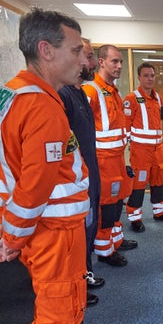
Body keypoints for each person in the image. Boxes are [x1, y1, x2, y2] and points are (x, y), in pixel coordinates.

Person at [0, 7, 111, 324]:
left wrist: (7, 231)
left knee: (47, 298)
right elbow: (35, 185)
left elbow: (6, 173)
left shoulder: (6, 93)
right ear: (45, 50)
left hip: (30, 227)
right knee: (62, 304)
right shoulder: (41, 105)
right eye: (75, 50)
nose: (82, 60)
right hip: (52, 231)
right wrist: (12, 239)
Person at [58, 38, 104, 305]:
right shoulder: (63, 95)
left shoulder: (80, 92)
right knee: (79, 232)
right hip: (77, 180)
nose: (92, 63)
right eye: (86, 56)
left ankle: (85, 273)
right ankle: (76, 287)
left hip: (91, 172)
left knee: (89, 226)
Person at [82, 44, 137, 267]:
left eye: (121, 62)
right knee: (105, 206)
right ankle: (105, 252)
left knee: (116, 202)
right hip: (101, 161)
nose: (120, 66)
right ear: (101, 62)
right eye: (114, 61)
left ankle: (116, 240)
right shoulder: (90, 90)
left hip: (116, 159)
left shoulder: (114, 91)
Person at [124, 62, 163, 232]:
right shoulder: (131, 99)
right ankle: (135, 217)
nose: (149, 78)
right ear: (139, 78)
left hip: (157, 149)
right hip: (140, 150)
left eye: (152, 75)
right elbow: (125, 125)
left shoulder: (158, 98)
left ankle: (159, 212)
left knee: (158, 178)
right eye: (145, 75)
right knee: (139, 184)